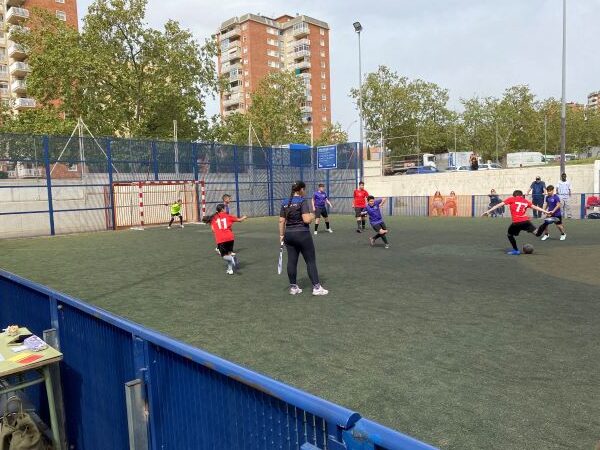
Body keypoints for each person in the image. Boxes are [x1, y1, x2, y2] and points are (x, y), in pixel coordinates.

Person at [279, 181, 328, 296]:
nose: (305, 191)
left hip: (289, 235)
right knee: (310, 261)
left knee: (292, 261)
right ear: (301, 189)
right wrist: (312, 215)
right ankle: (317, 288)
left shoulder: (285, 202)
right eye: (304, 189)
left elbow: (281, 221)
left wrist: (281, 235)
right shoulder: (302, 201)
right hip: (302, 234)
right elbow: (306, 220)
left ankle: (293, 287)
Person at [482, 190, 549, 255]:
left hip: (516, 222)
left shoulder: (512, 199)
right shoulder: (525, 201)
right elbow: (536, 207)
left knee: (509, 235)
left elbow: (499, 205)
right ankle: (546, 223)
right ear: (521, 195)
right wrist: (546, 212)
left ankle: (516, 250)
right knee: (537, 233)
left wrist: (488, 211)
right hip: (525, 221)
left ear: (514, 195)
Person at [203, 204, 247, 275]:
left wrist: (217, 230)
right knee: (229, 253)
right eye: (225, 208)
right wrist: (244, 217)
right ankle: (230, 269)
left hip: (221, 239)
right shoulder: (227, 216)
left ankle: (232, 259)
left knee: (224, 256)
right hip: (230, 238)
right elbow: (239, 220)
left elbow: (213, 230)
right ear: (222, 209)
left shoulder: (213, 218)